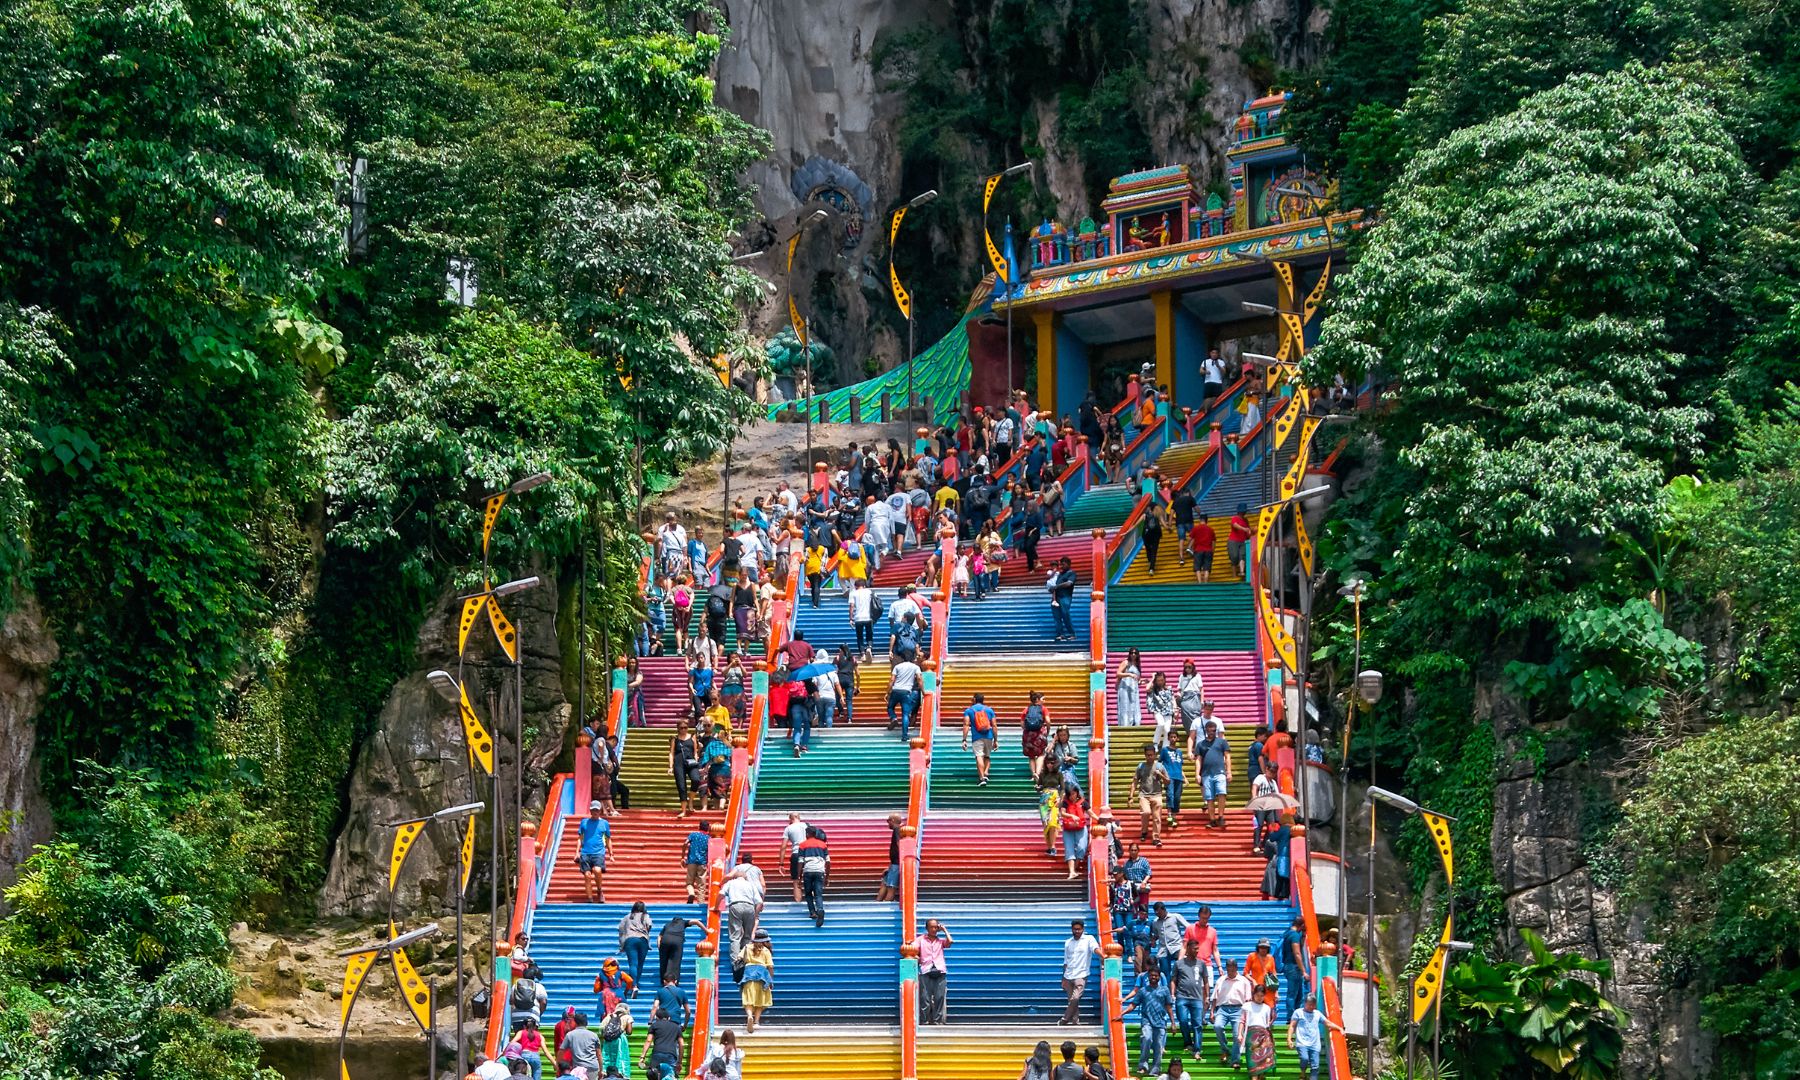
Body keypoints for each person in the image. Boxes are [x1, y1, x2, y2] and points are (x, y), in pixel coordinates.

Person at [1125, 966, 1173, 1076]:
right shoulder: (1143, 990)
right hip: (1147, 1021)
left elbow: (1169, 1007)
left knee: (1158, 1046)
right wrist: (1122, 1014)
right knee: (1146, 1038)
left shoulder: (1165, 990)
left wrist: (1173, 1023)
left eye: (1156, 975)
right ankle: (1143, 1065)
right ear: (1148, 976)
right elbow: (1133, 1004)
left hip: (1160, 1022)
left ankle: (1155, 1069)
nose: (1153, 977)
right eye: (1151, 975)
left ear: (1159, 977)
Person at [721, 859, 764, 977]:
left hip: (735, 905)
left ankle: (736, 961)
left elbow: (721, 894)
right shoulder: (750, 884)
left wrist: (715, 906)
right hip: (750, 906)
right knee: (747, 936)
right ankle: (746, 958)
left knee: (735, 935)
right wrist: (755, 914)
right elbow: (759, 902)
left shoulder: (731, 883)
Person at [1171, 938, 1211, 1056]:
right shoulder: (1178, 964)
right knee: (1183, 1020)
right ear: (1188, 949)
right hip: (1182, 996)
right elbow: (1173, 980)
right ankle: (1188, 1042)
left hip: (1197, 998)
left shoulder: (1201, 964)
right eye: (1195, 949)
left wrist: (1207, 996)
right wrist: (1172, 993)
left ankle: (1197, 1049)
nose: (1197, 951)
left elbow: (1206, 981)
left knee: (1197, 1023)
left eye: (1198, 949)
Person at [1287, 994, 1341, 1080]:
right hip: (1302, 1043)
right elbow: (1292, 1026)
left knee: (1315, 1065)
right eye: (1309, 1004)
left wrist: (1339, 1028)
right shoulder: (1298, 1012)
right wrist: (1289, 1039)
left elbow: (1327, 1023)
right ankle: (1303, 1073)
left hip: (1315, 1044)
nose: (1311, 1007)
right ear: (1305, 1003)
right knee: (1304, 1058)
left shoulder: (1317, 1014)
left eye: (1313, 1005)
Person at [1212, 958, 1253, 1068]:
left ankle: (1235, 1060)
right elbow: (1215, 998)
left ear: (1236, 968)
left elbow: (1248, 1000)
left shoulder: (1244, 981)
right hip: (1223, 1009)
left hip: (1239, 1009)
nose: (1230, 970)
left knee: (1237, 1035)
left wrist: (1247, 1015)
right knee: (1217, 1026)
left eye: (1232, 967)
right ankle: (1225, 1050)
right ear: (1226, 968)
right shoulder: (1220, 980)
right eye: (1228, 968)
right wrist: (1212, 1012)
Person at [1060, 918, 1102, 1026]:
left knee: (1075, 998)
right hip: (1068, 975)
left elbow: (1095, 949)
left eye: (1079, 929)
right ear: (1071, 929)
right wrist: (1063, 978)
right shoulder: (1068, 942)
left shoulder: (1089, 939)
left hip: (1081, 975)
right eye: (1075, 929)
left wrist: (1104, 956)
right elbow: (1066, 960)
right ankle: (1075, 1021)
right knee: (1072, 1001)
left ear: (1083, 929)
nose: (1077, 931)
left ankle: (1064, 1019)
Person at [1193, 720, 1233, 829]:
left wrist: (1228, 771)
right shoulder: (1200, 744)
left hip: (1220, 772)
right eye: (1209, 730)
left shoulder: (1222, 742)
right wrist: (1197, 774)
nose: (1212, 732)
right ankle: (1212, 819)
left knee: (1222, 793)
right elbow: (1198, 760)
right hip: (1206, 774)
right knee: (1209, 798)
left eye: (1214, 730)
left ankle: (1220, 816)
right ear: (1206, 730)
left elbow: (1227, 756)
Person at [914, 917, 953, 1024]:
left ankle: (938, 1022)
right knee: (924, 999)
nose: (934, 929)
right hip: (925, 971)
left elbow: (950, 942)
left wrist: (944, 930)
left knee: (939, 998)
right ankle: (924, 1021)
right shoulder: (920, 939)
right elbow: (912, 949)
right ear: (927, 928)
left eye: (936, 927)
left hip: (940, 971)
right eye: (931, 927)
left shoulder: (940, 941)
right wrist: (917, 957)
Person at [1132, 743, 1170, 847]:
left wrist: (1161, 775)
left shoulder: (1159, 766)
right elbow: (1135, 781)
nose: (1150, 757)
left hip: (1157, 795)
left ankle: (1156, 838)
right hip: (1144, 795)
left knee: (1157, 817)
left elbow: (1168, 782)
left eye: (1151, 755)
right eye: (1148, 755)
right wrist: (1131, 795)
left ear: (1155, 755)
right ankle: (1144, 831)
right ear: (1145, 755)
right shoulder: (1141, 767)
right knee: (1146, 812)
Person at [739, 929, 774, 1032]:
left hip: (748, 974)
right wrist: (770, 979)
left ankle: (749, 1016)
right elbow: (770, 966)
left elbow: (738, 958)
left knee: (748, 998)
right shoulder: (765, 950)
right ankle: (756, 1022)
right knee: (760, 999)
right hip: (762, 975)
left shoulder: (747, 947)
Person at [1239, 980, 1276, 1077]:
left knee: (1263, 1061)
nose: (1259, 998)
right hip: (1251, 1037)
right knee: (1252, 1062)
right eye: (1257, 995)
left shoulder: (1267, 1008)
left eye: (1261, 995)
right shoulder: (1246, 1006)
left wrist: (1270, 1038)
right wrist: (1240, 1034)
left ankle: (1261, 1076)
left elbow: (1267, 1024)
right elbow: (1242, 1021)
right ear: (1253, 994)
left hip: (1263, 1036)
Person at [576, 801, 611, 902]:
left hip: (598, 852)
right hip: (585, 852)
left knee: (597, 870)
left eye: (597, 810)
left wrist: (611, 853)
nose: (595, 812)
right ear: (590, 811)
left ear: (600, 811)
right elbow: (580, 838)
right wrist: (576, 852)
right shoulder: (584, 822)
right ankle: (590, 898)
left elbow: (608, 839)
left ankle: (599, 890)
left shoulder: (604, 823)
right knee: (587, 875)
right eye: (593, 810)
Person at [962, 693, 998, 786]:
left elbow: (966, 724)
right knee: (987, 756)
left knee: (979, 756)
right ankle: (986, 773)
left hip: (976, 737)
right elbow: (994, 725)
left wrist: (964, 739)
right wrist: (996, 739)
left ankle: (982, 778)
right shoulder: (989, 710)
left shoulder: (969, 710)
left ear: (974, 699)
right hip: (989, 736)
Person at [797, 827, 830, 927]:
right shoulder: (823, 845)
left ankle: (812, 912)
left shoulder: (803, 845)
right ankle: (820, 909)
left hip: (808, 871)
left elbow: (800, 862)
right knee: (818, 894)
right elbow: (828, 862)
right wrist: (827, 876)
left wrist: (799, 877)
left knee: (808, 893)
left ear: (807, 834)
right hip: (820, 871)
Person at [1148, 901, 1189, 981]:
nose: (1158, 915)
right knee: (1164, 972)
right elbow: (1156, 935)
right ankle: (1168, 990)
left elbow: (1188, 927)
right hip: (1163, 949)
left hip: (1176, 947)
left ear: (1164, 910)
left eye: (1159, 913)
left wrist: (1186, 942)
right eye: (1156, 913)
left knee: (1181, 969)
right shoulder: (1155, 922)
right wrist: (1153, 940)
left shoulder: (1175, 917)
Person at [641, 1005, 685, 1079]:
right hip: (671, 1054)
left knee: (654, 1076)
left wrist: (642, 1057)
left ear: (657, 1017)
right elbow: (681, 1044)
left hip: (657, 1053)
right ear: (668, 1018)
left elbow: (648, 1041)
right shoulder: (676, 1027)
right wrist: (680, 1062)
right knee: (670, 1076)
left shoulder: (654, 1026)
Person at [1280, 915, 1311, 1017]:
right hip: (1294, 967)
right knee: (1293, 994)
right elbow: (1297, 953)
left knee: (1298, 993)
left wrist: (1303, 935)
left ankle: (1295, 1015)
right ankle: (1291, 1016)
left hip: (1288, 966)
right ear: (1301, 925)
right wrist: (1303, 971)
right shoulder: (1294, 936)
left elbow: (1299, 946)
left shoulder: (1288, 933)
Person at [618, 903, 652, 991]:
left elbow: (621, 928)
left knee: (633, 964)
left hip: (630, 940)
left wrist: (622, 944)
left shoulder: (627, 917)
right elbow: (649, 925)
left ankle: (634, 985)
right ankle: (636, 983)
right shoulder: (645, 916)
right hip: (643, 940)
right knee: (640, 964)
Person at [888, 654, 923, 737]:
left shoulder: (897, 666)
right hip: (906, 692)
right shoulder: (915, 667)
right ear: (912, 659)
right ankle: (904, 735)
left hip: (896, 690)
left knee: (890, 707)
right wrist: (923, 691)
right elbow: (919, 679)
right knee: (905, 714)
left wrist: (887, 692)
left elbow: (892, 679)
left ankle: (893, 718)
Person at [597, 999, 633, 1079]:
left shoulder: (609, 1016)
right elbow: (629, 1032)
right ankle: (621, 1074)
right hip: (620, 1040)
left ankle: (606, 1073)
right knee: (621, 1057)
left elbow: (602, 1030)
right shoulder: (627, 1017)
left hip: (608, 1040)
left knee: (608, 1057)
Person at [1060, 784, 1090, 880]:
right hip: (1068, 828)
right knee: (1069, 849)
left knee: (1082, 847)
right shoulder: (1065, 802)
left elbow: (1090, 812)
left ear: (1077, 793)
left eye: (1073, 794)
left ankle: (1074, 867)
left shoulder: (1083, 802)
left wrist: (1100, 820)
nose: (1072, 796)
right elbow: (1062, 813)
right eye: (1070, 795)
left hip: (1080, 827)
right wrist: (1071, 816)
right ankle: (1072, 871)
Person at [559, 1013, 601, 1078]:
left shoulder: (570, 1035)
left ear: (575, 1022)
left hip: (578, 1069)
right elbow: (599, 1054)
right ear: (586, 1023)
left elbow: (561, 1052)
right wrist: (601, 1069)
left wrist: (558, 1066)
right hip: (593, 1068)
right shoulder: (594, 1035)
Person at [1245, 939, 1280, 1011]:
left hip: (1269, 989)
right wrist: (1253, 980)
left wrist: (1276, 992)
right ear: (1258, 948)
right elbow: (1245, 973)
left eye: (1265, 948)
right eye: (1261, 947)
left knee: (1269, 1011)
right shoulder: (1252, 956)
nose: (1263, 949)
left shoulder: (1271, 958)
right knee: (1255, 1010)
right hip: (1257, 989)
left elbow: (1274, 975)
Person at [848, 578, 878, 661]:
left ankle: (862, 654)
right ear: (864, 585)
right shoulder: (870, 592)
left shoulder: (853, 593)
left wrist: (851, 619)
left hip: (858, 618)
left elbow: (852, 606)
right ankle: (869, 648)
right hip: (869, 617)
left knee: (860, 637)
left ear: (855, 586)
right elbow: (876, 602)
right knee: (869, 634)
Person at [781, 812, 809, 902]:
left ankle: (798, 902)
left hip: (796, 853)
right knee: (809, 879)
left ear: (790, 819)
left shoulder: (788, 828)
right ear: (799, 817)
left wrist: (781, 863)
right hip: (808, 853)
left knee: (796, 881)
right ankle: (812, 901)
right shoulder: (807, 826)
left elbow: (783, 846)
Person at [1048, 557, 1078, 641]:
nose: (1061, 566)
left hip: (1065, 597)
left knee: (1065, 614)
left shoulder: (1071, 573)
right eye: (1060, 564)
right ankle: (1060, 634)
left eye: (1063, 564)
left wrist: (1056, 587)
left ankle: (1072, 633)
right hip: (1056, 598)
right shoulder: (1059, 575)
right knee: (1056, 617)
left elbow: (1069, 584)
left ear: (1068, 564)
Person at [878, 812, 903, 901]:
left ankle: (886, 903)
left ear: (892, 821)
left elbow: (898, 844)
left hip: (896, 864)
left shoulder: (897, 829)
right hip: (894, 864)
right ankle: (878, 902)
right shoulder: (898, 830)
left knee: (891, 887)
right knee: (884, 883)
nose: (888, 823)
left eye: (888, 821)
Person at [1115, 648, 1142, 727]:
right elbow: (1118, 673)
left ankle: (1134, 724)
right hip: (1125, 688)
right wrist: (1129, 674)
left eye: (1135, 653)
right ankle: (1125, 724)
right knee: (1125, 706)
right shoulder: (1126, 662)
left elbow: (1137, 679)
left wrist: (1142, 681)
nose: (1133, 655)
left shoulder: (1137, 665)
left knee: (1134, 706)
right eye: (1132, 653)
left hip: (1134, 690)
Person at [1189, 516, 1216, 583]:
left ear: (1200, 520)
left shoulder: (1195, 528)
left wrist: (1190, 547)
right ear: (1206, 521)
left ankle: (1200, 582)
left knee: (1197, 567)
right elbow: (1213, 542)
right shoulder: (1210, 529)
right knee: (1207, 568)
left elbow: (1191, 538)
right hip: (1208, 550)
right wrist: (1212, 551)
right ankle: (1206, 582)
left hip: (1198, 550)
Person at [1227, 504, 1251, 578]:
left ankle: (1241, 571)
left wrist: (1249, 532)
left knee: (1242, 556)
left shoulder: (1245, 520)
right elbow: (1235, 525)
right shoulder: (1235, 518)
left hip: (1243, 541)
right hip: (1233, 541)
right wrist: (1244, 529)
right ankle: (1234, 575)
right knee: (1234, 557)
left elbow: (1248, 530)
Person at [1142, 503, 1165, 574]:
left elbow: (1136, 523)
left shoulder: (1145, 515)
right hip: (1156, 535)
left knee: (1148, 549)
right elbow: (1164, 524)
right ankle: (1151, 568)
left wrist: (1127, 531)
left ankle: (1150, 562)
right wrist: (1169, 528)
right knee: (1154, 551)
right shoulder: (1157, 515)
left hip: (1146, 535)